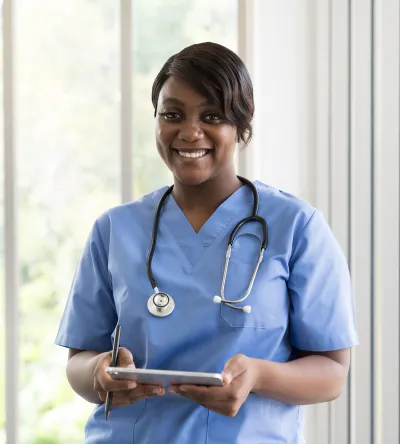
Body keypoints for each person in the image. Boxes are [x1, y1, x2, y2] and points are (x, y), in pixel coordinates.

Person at [55, 42, 358, 443]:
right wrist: (98, 374)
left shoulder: (296, 226)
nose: (190, 132)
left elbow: (333, 373)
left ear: (241, 125)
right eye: (172, 115)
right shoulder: (115, 229)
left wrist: (259, 375)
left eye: (212, 116)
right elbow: (78, 362)